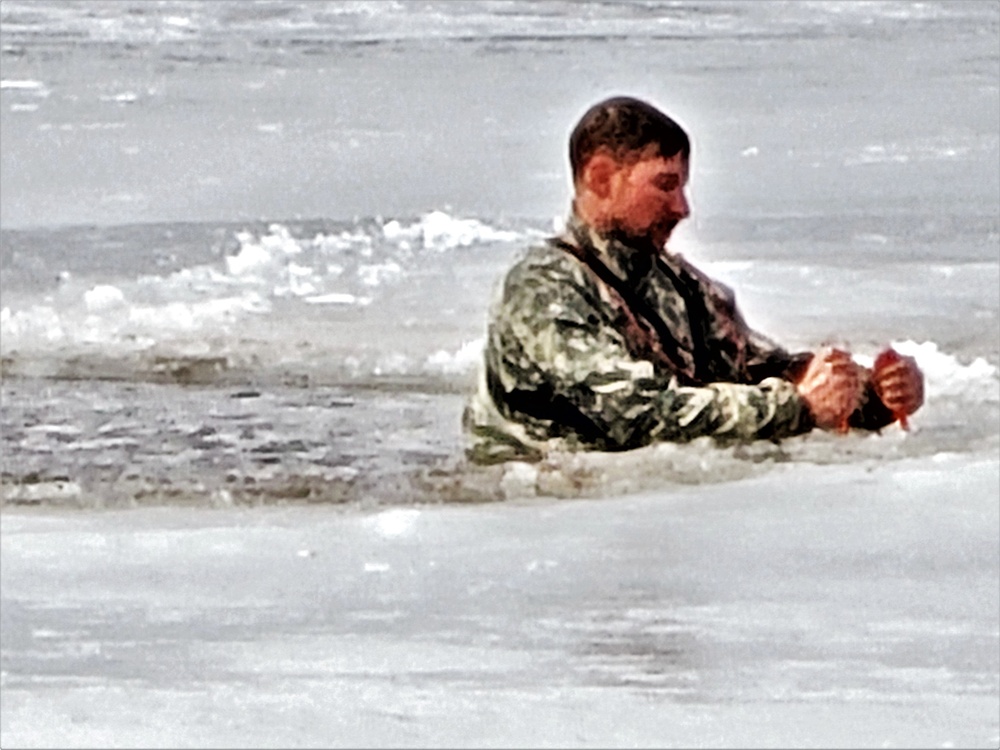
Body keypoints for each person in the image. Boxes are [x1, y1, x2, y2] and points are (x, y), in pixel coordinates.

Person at [464, 96, 924, 464]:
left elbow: (758, 367)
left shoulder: (676, 283)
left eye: (683, 187)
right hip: (541, 505)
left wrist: (868, 393)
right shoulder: (542, 287)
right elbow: (633, 412)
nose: (683, 208)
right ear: (601, 178)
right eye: (665, 185)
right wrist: (795, 408)